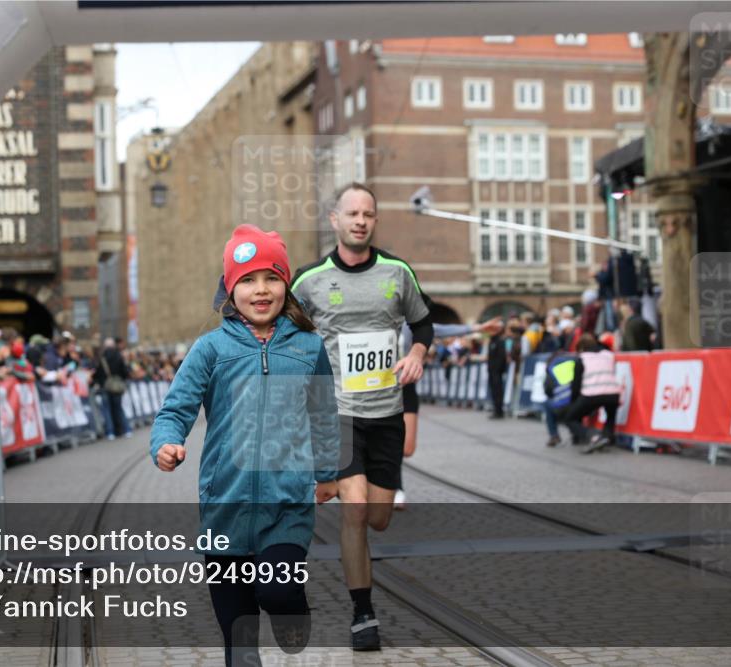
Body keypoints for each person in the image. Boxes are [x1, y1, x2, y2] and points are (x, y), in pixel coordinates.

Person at [151, 225, 340, 667]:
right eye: (248, 280)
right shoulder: (210, 349)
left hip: (287, 505)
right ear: (230, 288)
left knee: (278, 591)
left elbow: (325, 415)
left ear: (286, 285)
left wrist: (329, 473)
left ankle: (292, 609)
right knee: (239, 644)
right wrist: (166, 444)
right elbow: (175, 409)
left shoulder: (309, 348)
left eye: (272, 278)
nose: (261, 290)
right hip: (224, 504)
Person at [291, 183, 433, 651]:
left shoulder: (397, 271)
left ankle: (362, 600)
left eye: (368, 213)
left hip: (387, 413)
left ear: (374, 220)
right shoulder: (309, 280)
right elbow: (281, 327)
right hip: (339, 415)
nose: (360, 220)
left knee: (378, 518)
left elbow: (423, 321)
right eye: (351, 212)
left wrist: (416, 351)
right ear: (334, 219)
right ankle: (362, 613)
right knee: (354, 511)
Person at [394, 315, 502, 510]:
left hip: (404, 388)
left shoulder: (407, 325)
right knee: (385, 441)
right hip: (377, 393)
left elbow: (441, 329)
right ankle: (395, 487)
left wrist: (479, 327)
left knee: (406, 448)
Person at [563, 333, 623, 454]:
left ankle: (593, 437)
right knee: (610, 415)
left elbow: (576, 385)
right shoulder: (608, 355)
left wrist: (573, 402)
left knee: (570, 418)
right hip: (613, 392)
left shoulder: (582, 359)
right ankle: (607, 437)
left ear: (581, 348)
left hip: (592, 393)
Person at [541, 348, 585, 447]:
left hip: (562, 404)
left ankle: (554, 435)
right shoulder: (575, 361)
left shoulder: (552, 366)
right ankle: (576, 436)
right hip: (580, 400)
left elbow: (548, 390)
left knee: (548, 404)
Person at [94, 337, 132, 439]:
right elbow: (125, 372)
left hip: (105, 387)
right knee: (119, 408)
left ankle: (110, 432)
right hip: (117, 386)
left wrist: (99, 381)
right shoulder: (119, 356)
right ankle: (126, 429)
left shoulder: (102, 358)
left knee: (107, 410)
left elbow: (98, 373)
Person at [486, 320, 509, 420]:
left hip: (497, 371)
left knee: (498, 390)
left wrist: (498, 369)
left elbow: (501, 357)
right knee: (494, 390)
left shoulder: (500, 341)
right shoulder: (492, 341)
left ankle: (499, 411)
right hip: (491, 370)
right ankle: (496, 409)